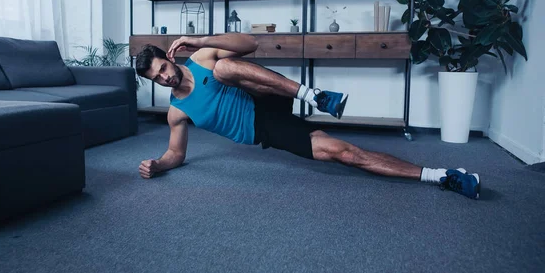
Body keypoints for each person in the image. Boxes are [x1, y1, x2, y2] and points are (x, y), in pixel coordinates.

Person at [134, 33, 481, 199]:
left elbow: (251, 44)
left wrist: (199, 39)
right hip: (265, 127)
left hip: (264, 90)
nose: (164, 78)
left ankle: (313, 95)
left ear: (169, 56)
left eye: (163, 68)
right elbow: (175, 154)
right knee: (343, 154)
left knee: (224, 66)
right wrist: (159, 165)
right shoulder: (177, 112)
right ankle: (441, 176)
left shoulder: (203, 57)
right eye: (156, 78)